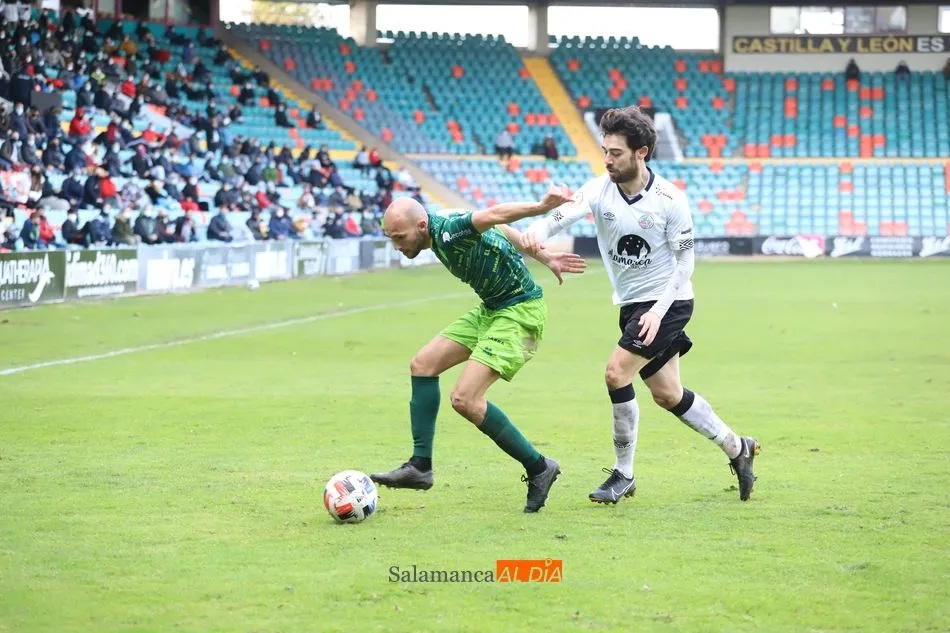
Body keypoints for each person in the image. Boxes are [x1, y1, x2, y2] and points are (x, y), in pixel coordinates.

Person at [521, 106, 760, 503]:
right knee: (668, 394)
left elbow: (685, 263)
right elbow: (557, 218)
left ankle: (624, 474)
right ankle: (738, 448)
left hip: (669, 301)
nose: (607, 159)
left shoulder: (670, 199)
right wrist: (535, 232)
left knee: (616, 373)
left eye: (615, 152)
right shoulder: (598, 189)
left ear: (641, 152)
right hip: (632, 304)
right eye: (605, 151)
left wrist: (658, 311)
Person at [370, 188, 587, 513]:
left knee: (465, 399)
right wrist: (545, 257)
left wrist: (540, 207)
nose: (397, 247)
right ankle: (420, 466)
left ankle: (540, 467)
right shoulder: (444, 221)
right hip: (492, 308)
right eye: (391, 239)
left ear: (421, 226)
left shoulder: (450, 232)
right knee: (423, 365)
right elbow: (499, 228)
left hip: (520, 312)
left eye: (400, 238)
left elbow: (496, 215)